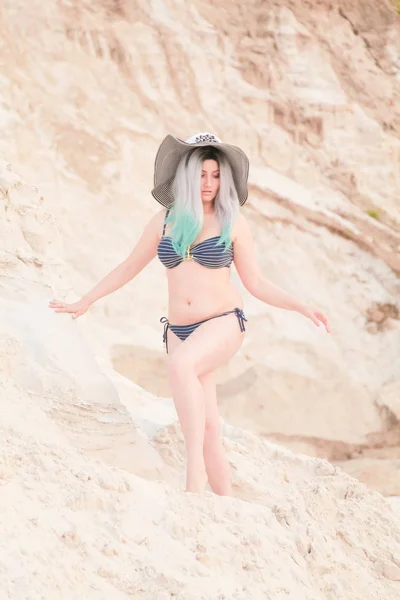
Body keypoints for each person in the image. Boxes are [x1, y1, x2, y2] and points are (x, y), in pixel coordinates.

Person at [49, 132, 330, 496]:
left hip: (223, 322)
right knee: (209, 425)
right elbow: (127, 267)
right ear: (187, 176)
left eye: (216, 175)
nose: (209, 183)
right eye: (202, 175)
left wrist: (302, 306)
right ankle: (225, 502)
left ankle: (193, 479)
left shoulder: (233, 223)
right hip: (179, 331)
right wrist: (86, 300)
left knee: (181, 367)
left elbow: (257, 283)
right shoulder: (165, 220)